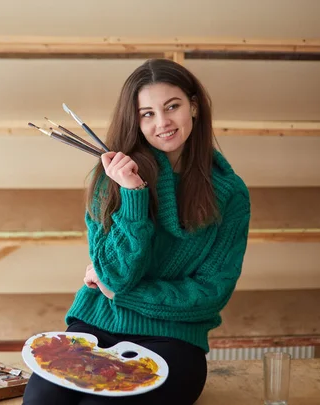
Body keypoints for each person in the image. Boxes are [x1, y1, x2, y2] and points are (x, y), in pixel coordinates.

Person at [22, 58, 251, 405]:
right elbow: (115, 275)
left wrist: (126, 296)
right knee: (41, 401)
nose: (163, 123)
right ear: (136, 120)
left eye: (172, 107)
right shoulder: (110, 178)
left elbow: (211, 292)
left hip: (173, 339)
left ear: (193, 106)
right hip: (97, 324)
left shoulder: (230, 193)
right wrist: (132, 194)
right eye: (147, 113)